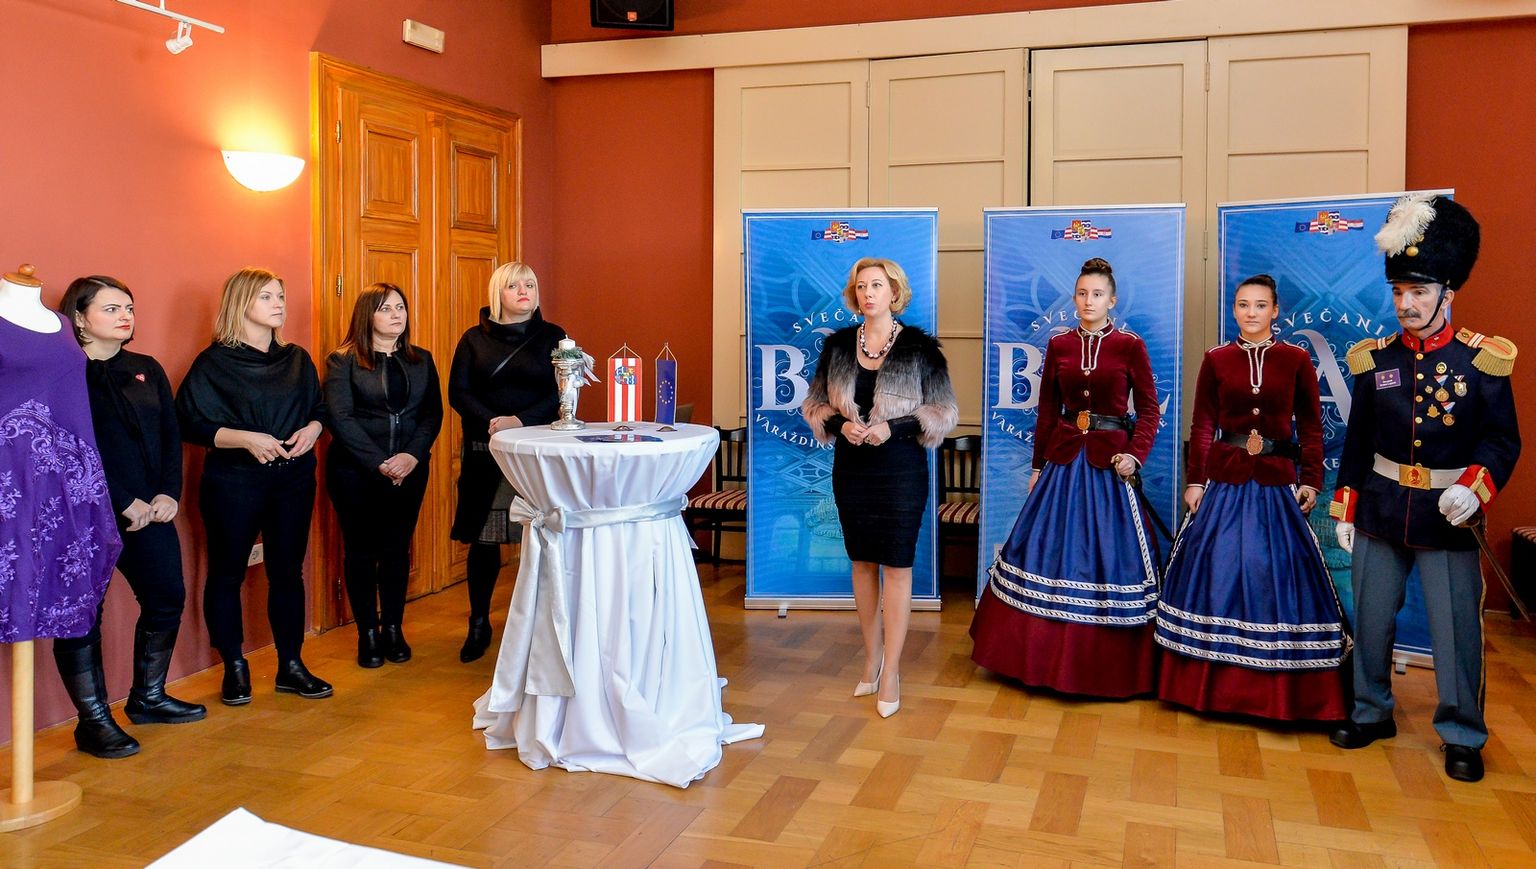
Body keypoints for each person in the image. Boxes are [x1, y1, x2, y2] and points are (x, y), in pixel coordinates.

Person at [1329, 194, 1520, 783]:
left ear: (1446, 293)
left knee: (1455, 628)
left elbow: (1501, 442)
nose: (1405, 304)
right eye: (1398, 292)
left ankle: (1462, 733)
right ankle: (1370, 711)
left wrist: (1474, 488)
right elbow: (1359, 443)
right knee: (1371, 619)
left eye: (1418, 291)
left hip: (1449, 515)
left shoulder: (1480, 361)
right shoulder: (1375, 360)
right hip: (1382, 508)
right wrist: (1346, 506)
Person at [1155, 274, 1348, 720]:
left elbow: (1311, 427)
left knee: (1272, 572)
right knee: (1219, 568)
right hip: (1225, 481)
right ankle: (1209, 687)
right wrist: (1195, 481)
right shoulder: (1216, 359)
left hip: (1276, 483)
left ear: (1275, 310)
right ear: (1234, 310)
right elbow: (1203, 424)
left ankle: (1275, 694)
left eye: (1260, 305)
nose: (1251, 312)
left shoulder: (1296, 360)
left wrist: (1311, 480)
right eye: (1243, 304)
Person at [969, 257, 1161, 698]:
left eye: (1097, 294)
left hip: (1110, 466)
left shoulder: (1130, 346)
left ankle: (1104, 669)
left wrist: (1135, 456)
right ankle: (1034, 660)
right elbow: (1047, 411)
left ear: (1112, 300)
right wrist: (1038, 467)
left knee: (1107, 557)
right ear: (1074, 298)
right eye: (1082, 293)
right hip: (1063, 461)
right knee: (1048, 551)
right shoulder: (1059, 345)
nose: (1088, 301)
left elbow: (1150, 410)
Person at [52, 276, 207, 757]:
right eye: (112, 308)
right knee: (80, 616)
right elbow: (66, 448)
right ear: (80, 318)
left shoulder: (146, 368)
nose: (125, 316)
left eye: (130, 308)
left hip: (150, 512)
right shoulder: (61, 372)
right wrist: (121, 499)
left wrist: (168, 493)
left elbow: (169, 435)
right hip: (82, 514)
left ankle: (148, 697)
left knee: (167, 596)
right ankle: (93, 721)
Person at [801, 257, 957, 718]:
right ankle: (871, 659)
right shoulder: (837, 347)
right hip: (852, 468)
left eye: (876, 285)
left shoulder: (921, 348)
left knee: (897, 565)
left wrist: (896, 427)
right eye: (861, 286)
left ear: (894, 293)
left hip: (901, 469)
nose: (868, 293)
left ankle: (892, 672)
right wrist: (840, 425)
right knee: (862, 562)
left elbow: (944, 412)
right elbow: (815, 404)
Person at [176, 267, 331, 704]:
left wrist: (314, 429)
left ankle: (291, 666)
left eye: (280, 295)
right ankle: (234, 666)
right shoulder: (213, 363)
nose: (279, 304)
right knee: (226, 573)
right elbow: (187, 422)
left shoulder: (296, 358)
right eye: (266, 296)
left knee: (288, 573)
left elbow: (320, 408)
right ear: (240, 303)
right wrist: (245, 439)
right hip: (233, 483)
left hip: (293, 479)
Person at [0, 264, 121, 757]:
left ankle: (90, 722)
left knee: (67, 579)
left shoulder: (63, 325)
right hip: (11, 476)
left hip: (66, 476)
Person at [448, 262, 565, 662]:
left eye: (530, 284)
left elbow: (562, 392)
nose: (523, 291)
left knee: (544, 534)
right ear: (498, 293)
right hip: (487, 450)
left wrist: (520, 421)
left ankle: (544, 624)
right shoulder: (473, 339)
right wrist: (494, 423)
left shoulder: (554, 336)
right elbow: (459, 393)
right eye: (514, 286)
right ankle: (479, 622)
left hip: (536, 451)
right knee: (485, 537)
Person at [324, 283, 442, 668]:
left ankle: (393, 628)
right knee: (361, 550)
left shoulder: (421, 360)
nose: (397, 315)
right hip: (355, 472)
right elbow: (340, 417)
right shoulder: (343, 361)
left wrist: (410, 456)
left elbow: (431, 415)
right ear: (367, 315)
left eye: (400, 307)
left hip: (409, 471)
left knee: (396, 549)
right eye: (386, 308)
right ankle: (368, 633)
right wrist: (380, 462)